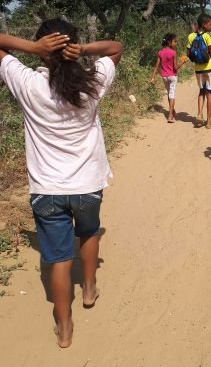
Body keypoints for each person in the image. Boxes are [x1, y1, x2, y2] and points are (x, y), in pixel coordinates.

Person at [0, 18, 123, 348]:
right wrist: (81, 49)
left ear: (43, 52)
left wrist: (31, 48)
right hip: (87, 185)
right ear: (73, 46)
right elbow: (115, 48)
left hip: (47, 190)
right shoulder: (93, 81)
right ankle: (91, 289)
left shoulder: (27, 83)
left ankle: (65, 326)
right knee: (88, 233)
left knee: (56, 259)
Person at [187, 13, 211, 129]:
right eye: (210, 24)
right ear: (204, 24)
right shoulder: (209, 36)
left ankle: (199, 114)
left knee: (201, 91)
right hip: (209, 69)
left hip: (198, 70)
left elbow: (189, 54)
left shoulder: (191, 36)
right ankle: (208, 122)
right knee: (210, 94)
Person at [151, 33, 187, 123]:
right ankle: (170, 116)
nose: (176, 43)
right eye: (174, 41)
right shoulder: (173, 53)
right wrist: (182, 62)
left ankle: (172, 110)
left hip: (164, 77)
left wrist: (153, 77)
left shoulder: (160, 52)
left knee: (169, 94)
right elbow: (175, 67)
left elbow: (156, 66)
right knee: (172, 95)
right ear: (169, 42)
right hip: (172, 77)